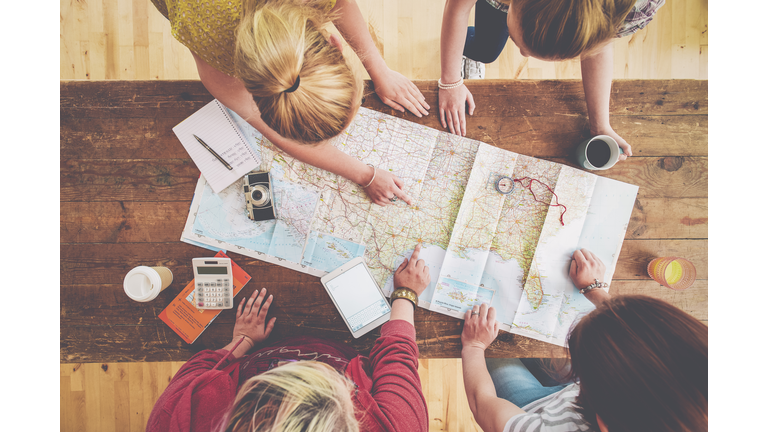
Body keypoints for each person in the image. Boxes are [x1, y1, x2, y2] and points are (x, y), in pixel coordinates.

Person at [150, 0, 430, 206]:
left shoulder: (214, 53)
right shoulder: (212, 55)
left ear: (333, 43)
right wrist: (363, 174)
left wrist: (379, 71)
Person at [146, 243, 432, 432]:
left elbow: (198, 370)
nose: (302, 366)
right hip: (343, 346)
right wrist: (406, 295)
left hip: (256, 346)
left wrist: (242, 341)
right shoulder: (398, 427)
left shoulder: (177, 421)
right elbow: (398, 355)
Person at [460, 248, 707, 432]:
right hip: (578, 397)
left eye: (585, 369)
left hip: (530, 407)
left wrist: (474, 346)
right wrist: (595, 289)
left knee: (496, 356)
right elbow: (646, 339)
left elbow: (483, 405)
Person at [438, 0, 665, 158]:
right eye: (519, 44)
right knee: (486, 49)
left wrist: (600, 125)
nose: (523, 55)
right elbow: (457, 6)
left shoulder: (636, 8)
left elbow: (596, 46)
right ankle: (470, 49)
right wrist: (450, 81)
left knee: (487, 49)